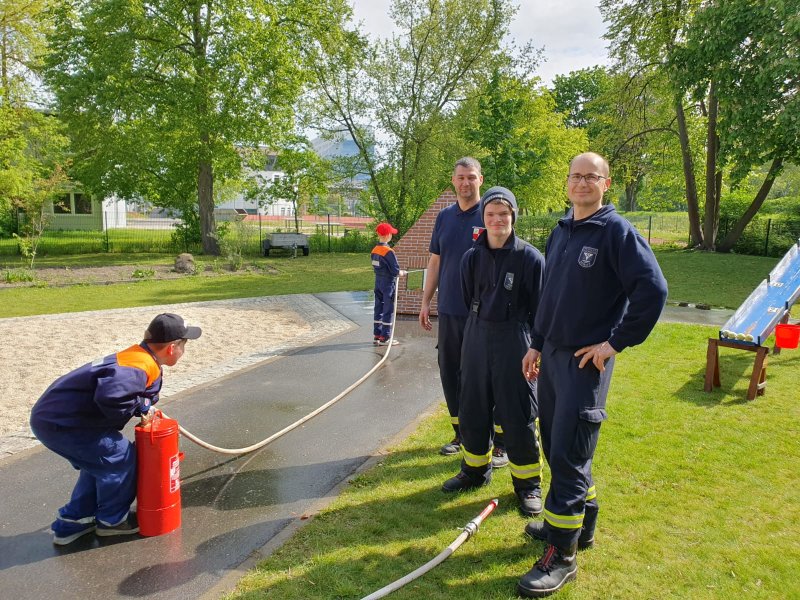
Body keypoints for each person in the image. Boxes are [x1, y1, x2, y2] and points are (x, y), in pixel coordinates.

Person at [516, 152, 668, 597]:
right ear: (567, 183)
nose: (582, 183)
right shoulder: (561, 231)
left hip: (587, 362)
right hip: (553, 357)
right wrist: (537, 343)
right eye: (576, 176)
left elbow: (653, 290)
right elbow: (549, 296)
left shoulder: (617, 233)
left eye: (591, 177)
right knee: (556, 444)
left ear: (606, 184)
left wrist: (614, 343)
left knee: (569, 450)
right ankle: (580, 524)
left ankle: (562, 557)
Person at [29, 313, 202, 545]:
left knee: (99, 464)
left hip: (57, 418)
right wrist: (140, 407)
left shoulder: (137, 357)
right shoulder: (138, 366)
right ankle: (112, 522)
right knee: (121, 459)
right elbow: (112, 395)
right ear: (172, 348)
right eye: (184, 345)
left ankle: (73, 523)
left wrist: (141, 404)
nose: (184, 350)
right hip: (65, 424)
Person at [441, 187, 545, 516]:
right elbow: (469, 294)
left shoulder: (530, 257)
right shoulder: (472, 257)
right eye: (490, 214)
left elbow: (540, 309)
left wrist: (536, 347)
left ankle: (528, 485)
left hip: (514, 336)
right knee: (472, 406)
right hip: (476, 334)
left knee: (517, 414)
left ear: (513, 216)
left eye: (503, 214)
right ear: (483, 219)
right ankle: (474, 471)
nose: (497, 220)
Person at [419, 157, 507, 466]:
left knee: (487, 377)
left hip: (482, 315)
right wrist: (426, 300)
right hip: (449, 311)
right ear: (453, 181)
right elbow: (435, 261)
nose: (466, 183)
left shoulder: (492, 215)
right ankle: (461, 434)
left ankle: (500, 440)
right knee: (450, 372)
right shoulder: (444, 217)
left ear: (480, 179)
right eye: (460, 177)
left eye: (471, 177)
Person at [371, 222, 405, 345]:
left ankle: (377, 334)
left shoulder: (374, 250)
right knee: (388, 309)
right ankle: (385, 337)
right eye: (391, 233)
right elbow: (395, 270)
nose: (391, 235)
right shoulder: (388, 251)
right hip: (388, 284)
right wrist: (401, 273)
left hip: (378, 282)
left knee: (378, 308)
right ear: (387, 236)